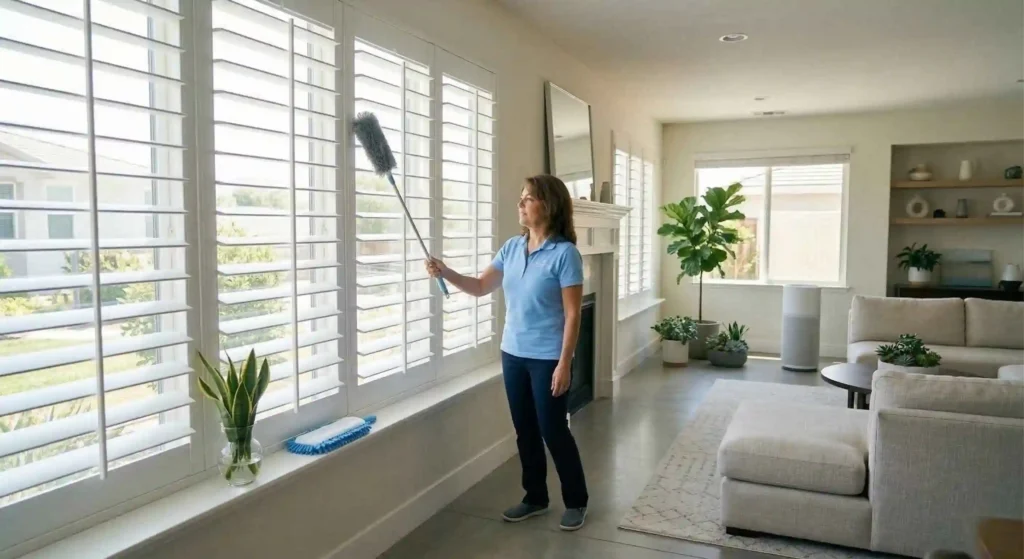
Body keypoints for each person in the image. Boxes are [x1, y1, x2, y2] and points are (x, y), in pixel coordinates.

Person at [425, 174, 589, 531]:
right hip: (513, 353)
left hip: (548, 358)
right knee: (524, 429)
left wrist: (565, 364)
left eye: (528, 198)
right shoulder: (511, 249)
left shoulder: (565, 255)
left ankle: (576, 500)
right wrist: (446, 272)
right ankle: (535, 498)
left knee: (553, 430)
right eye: (522, 196)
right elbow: (482, 286)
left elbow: (574, 314)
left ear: (548, 205)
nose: (520, 203)